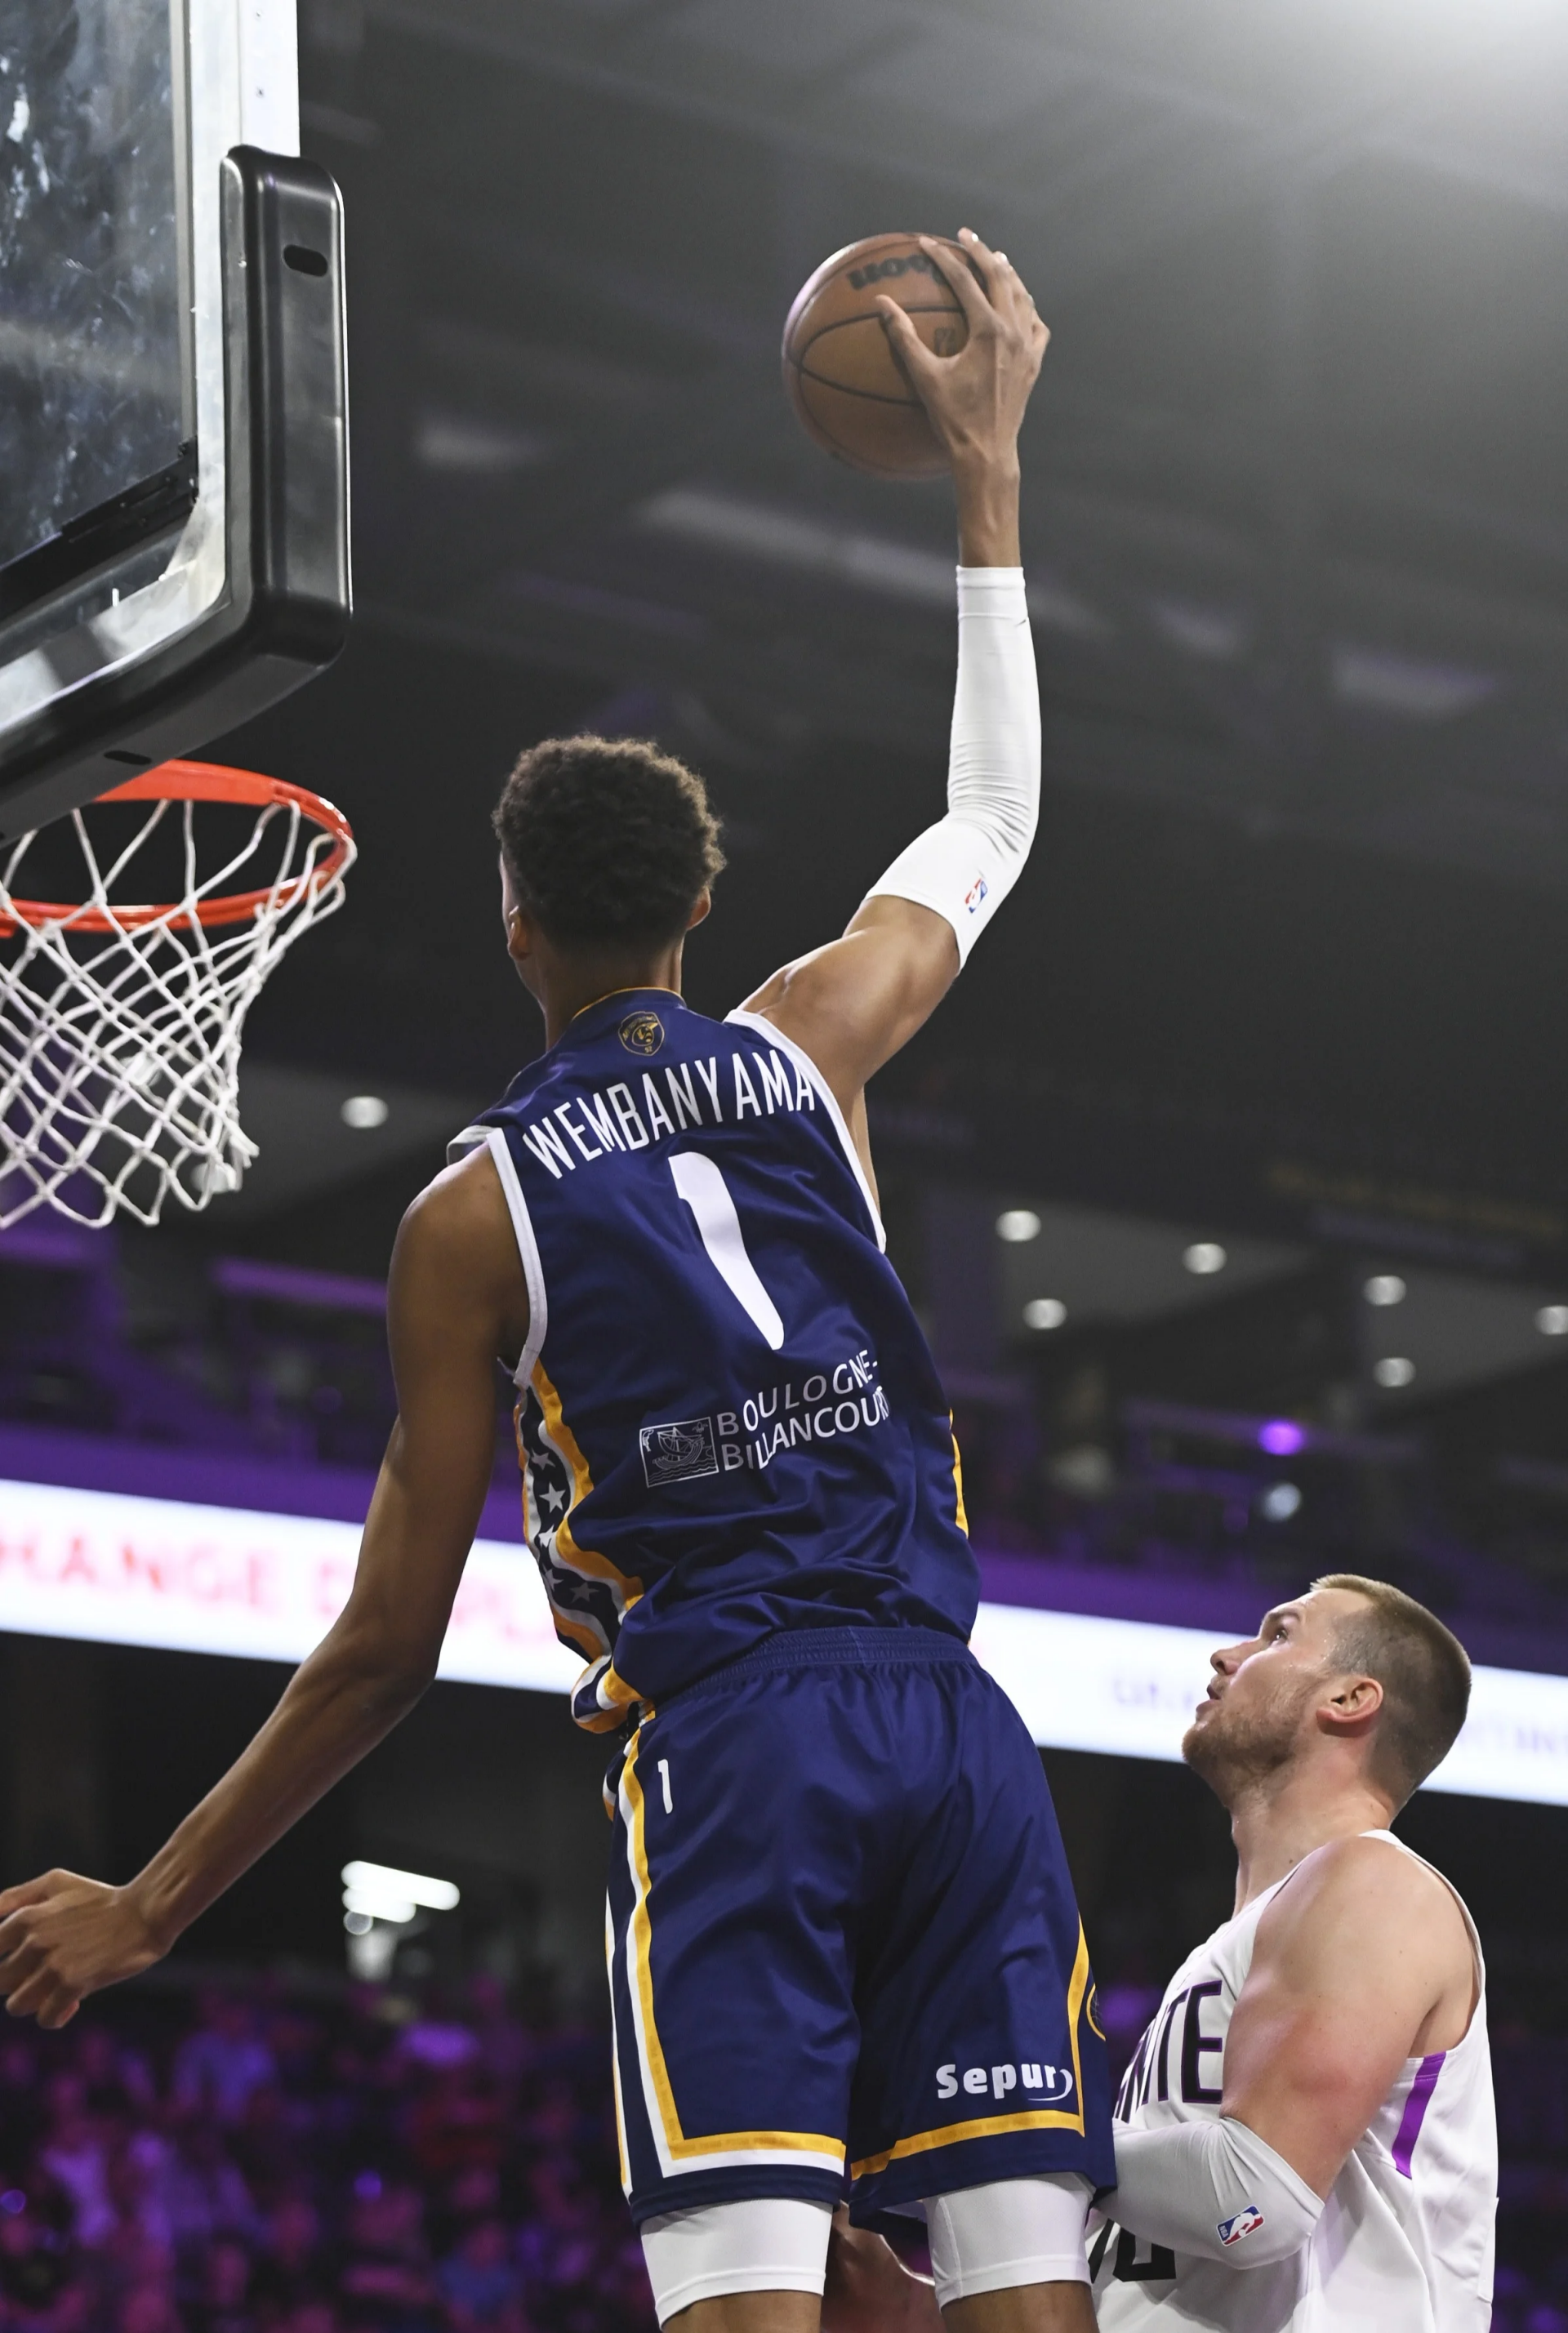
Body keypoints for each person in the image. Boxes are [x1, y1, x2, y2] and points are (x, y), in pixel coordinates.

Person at [0, 232, 1114, 2333]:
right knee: (1018, 2299)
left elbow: (386, 1648)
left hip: (738, 1751)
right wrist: (987, 479)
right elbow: (989, 814)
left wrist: (152, 1905)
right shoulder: (813, 1040)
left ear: (516, 929)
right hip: (962, 1728)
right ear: (699, 906)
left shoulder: (468, 1211)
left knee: (747, 2297)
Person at [826, 1574, 1497, 2333]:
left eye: (1278, 1635)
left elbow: (1252, 2203)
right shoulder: (1239, 1943)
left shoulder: (1375, 1881)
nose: (1226, 1654)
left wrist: (998, 2127)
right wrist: (916, 2262)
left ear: (1350, 1699)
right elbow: (1149, 2249)